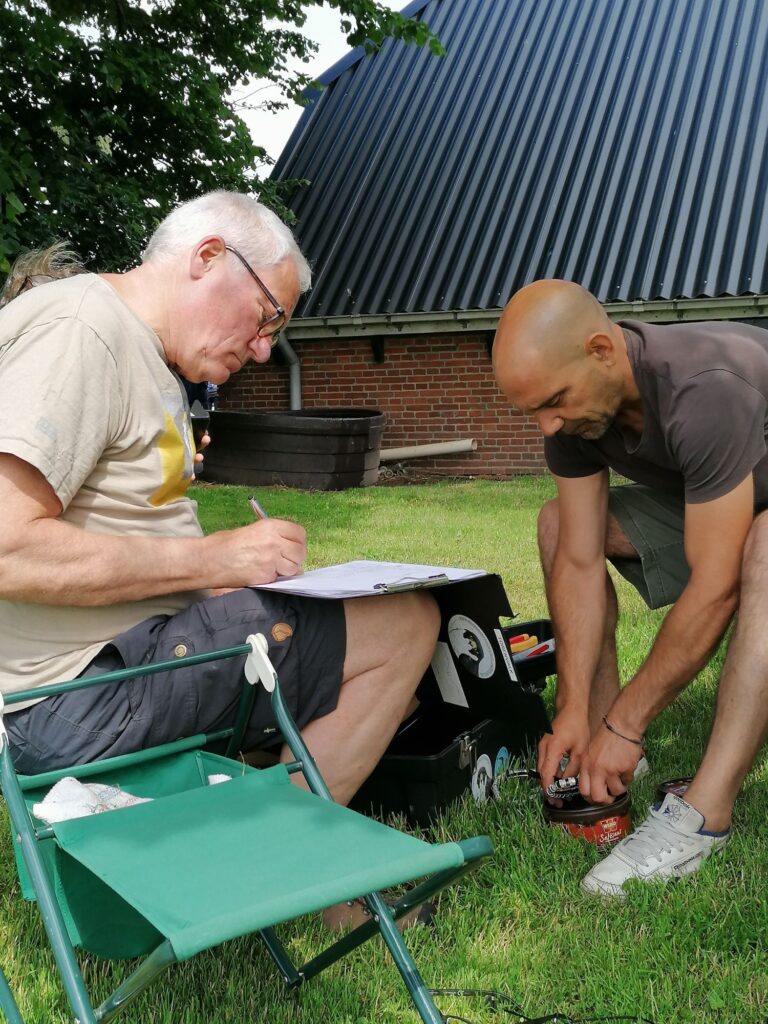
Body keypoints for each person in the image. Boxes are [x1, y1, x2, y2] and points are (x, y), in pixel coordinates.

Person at [0, 191, 439, 844]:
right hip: (71, 701)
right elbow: (8, 548)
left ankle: (241, 834)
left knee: (388, 684)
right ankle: (288, 865)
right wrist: (214, 559)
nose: (263, 351)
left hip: (108, 674)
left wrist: (219, 583)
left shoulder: (141, 352)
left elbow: (123, 528)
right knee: (405, 626)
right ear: (208, 257)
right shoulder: (82, 329)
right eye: (266, 318)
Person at [492, 279, 768, 897]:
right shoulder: (575, 418)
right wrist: (573, 710)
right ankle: (599, 744)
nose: (548, 425)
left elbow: (716, 587)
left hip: (757, 522)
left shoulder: (706, 389)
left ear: (601, 349)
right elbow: (581, 559)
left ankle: (704, 814)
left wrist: (629, 721)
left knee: (764, 548)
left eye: (555, 401)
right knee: (560, 525)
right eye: (533, 410)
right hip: (734, 498)